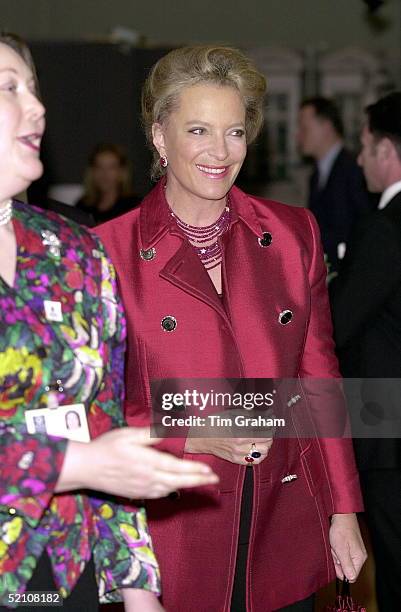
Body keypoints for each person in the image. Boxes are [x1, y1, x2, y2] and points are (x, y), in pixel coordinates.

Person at [96, 45, 367, 612]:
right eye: (198, 130)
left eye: (235, 132)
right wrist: (195, 433)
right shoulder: (105, 254)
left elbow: (320, 379)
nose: (220, 153)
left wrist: (343, 509)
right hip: (171, 529)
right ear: (159, 137)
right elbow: (93, 413)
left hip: (282, 523)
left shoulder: (294, 235)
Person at [0, 33, 218, 612]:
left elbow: (102, 424)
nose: (38, 106)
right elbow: (90, 455)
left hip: (59, 567)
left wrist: (138, 587)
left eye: (35, 88)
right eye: (8, 87)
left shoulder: (73, 251)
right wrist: (75, 463)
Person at [330, 92, 401, 611]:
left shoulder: (385, 227)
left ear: (388, 150)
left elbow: (340, 322)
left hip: (389, 426)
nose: (359, 158)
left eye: (364, 144)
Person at [297, 97, 375, 274]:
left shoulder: (355, 168)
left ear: (326, 126)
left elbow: (363, 228)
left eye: (304, 128)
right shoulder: (316, 175)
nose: (299, 135)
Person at [76, 143, 141, 224]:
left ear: (121, 171)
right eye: (99, 167)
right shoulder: (82, 207)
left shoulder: (133, 207)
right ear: (92, 171)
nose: (104, 173)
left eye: (111, 167)